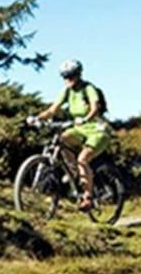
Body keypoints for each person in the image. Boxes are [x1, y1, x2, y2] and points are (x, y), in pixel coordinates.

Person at [26, 60, 111, 211]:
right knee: (62, 139)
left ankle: (88, 198)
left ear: (78, 74)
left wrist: (85, 118)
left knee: (83, 159)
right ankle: (74, 172)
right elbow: (53, 110)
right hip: (79, 128)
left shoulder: (88, 88)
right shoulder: (67, 91)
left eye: (71, 76)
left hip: (97, 130)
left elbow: (95, 107)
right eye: (65, 76)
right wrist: (37, 118)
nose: (68, 79)